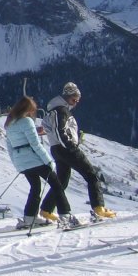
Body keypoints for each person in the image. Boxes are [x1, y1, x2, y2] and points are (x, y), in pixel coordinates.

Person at [38, 83, 116, 223]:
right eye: (74, 99)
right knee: (91, 175)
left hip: (56, 149)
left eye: (78, 100)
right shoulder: (61, 110)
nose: (76, 102)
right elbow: (60, 130)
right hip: (66, 149)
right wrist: (70, 145)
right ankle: (99, 208)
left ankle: (46, 210)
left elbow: (51, 129)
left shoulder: (54, 110)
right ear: (67, 97)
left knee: (62, 181)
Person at [3, 97, 80, 230]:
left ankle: (29, 218)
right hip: (35, 159)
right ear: (28, 110)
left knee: (35, 188)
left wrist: (18, 164)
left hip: (22, 162)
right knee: (57, 186)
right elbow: (35, 144)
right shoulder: (26, 121)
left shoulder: (10, 125)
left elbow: (10, 147)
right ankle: (66, 217)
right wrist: (48, 161)